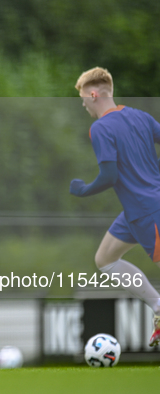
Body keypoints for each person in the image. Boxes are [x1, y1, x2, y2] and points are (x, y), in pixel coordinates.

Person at [70, 67, 160, 347]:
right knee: (105, 259)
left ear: (94, 94)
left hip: (148, 212)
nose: (83, 103)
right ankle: (158, 306)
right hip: (134, 212)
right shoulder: (140, 116)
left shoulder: (100, 128)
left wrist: (83, 189)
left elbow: (110, 177)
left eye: (84, 97)